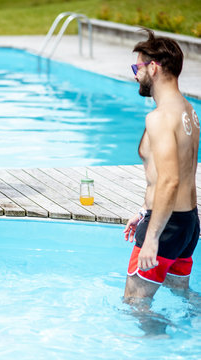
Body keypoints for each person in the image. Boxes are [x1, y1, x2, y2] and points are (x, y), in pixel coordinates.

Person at [123, 29, 199, 303]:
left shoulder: (159, 118)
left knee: (135, 303)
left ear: (153, 68)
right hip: (188, 223)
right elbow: (180, 170)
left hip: (165, 228)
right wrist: (145, 211)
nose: (135, 75)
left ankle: (158, 346)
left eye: (137, 67)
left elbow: (169, 180)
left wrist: (152, 235)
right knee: (183, 297)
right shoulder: (188, 110)